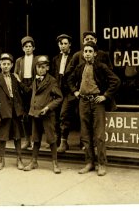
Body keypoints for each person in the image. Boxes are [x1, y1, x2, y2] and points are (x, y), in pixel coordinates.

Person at [68, 41, 121, 176]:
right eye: (85, 51)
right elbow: (69, 79)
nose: (87, 54)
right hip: (83, 102)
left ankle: (101, 164)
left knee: (99, 135)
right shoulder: (80, 67)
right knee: (85, 134)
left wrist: (105, 96)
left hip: (97, 103)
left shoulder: (101, 67)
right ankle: (89, 163)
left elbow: (116, 81)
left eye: (90, 51)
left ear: (95, 53)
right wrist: (75, 91)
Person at [22, 55, 63, 174]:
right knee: (35, 138)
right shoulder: (35, 80)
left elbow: (59, 98)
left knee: (51, 138)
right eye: (39, 67)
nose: (40, 69)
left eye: (43, 67)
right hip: (35, 113)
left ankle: (55, 163)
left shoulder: (52, 81)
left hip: (47, 115)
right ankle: (34, 161)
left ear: (48, 68)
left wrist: (48, 108)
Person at [0, 53, 26, 170]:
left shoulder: (14, 77)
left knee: (17, 136)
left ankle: (19, 159)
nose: (5, 66)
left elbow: (24, 91)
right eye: (3, 64)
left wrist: (19, 80)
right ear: (0, 65)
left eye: (8, 64)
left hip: (15, 111)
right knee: (3, 136)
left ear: (11, 65)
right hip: (4, 111)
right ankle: (1, 160)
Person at [50, 34, 78, 153]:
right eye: (61, 44)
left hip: (69, 91)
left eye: (65, 43)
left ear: (70, 44)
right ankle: (56, 141)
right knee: (55, 115)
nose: (63, 46)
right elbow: (53, 75)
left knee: (64, 115)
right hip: (58, 91)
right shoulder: (55, 59)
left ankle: (64, 141)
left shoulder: (74, 57)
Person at [14, 36, 37, 150]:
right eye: (26, 47)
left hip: (34, 86)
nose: (28, 48)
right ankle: (27, 139)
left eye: (30, 46)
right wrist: (19, 83)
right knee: (24, 115)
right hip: (22, 86)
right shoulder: (19, 60)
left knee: (33, 114)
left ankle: (34, 140)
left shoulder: (37, 59)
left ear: (33, 48)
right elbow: (16, 74)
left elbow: (38, 75)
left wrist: (32, 86)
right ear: (23, 48)